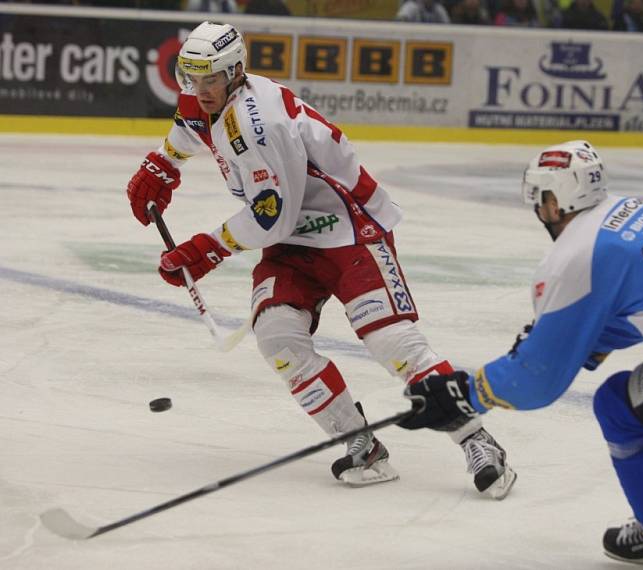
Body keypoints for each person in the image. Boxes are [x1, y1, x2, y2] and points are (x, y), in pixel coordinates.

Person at [124, 21, 516, 498]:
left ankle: (478, 440)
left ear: (236, 72)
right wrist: (162, 163)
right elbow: (190, 125)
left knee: (392, 341)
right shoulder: (206, 98)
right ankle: (362, 446)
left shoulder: (258, 123)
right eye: (191, 77)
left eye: (210, 79)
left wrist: (207, 248)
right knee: (277, 337)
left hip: (350, 229)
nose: (199, 89)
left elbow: (273, 218)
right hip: (294, 243)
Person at [400, 140, 643, 568]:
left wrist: (464, 395)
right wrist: (584, 343)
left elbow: (538, 381)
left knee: (615, 405)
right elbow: (640, 311)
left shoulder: (574, 255)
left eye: (541, 199)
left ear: (554, 201)